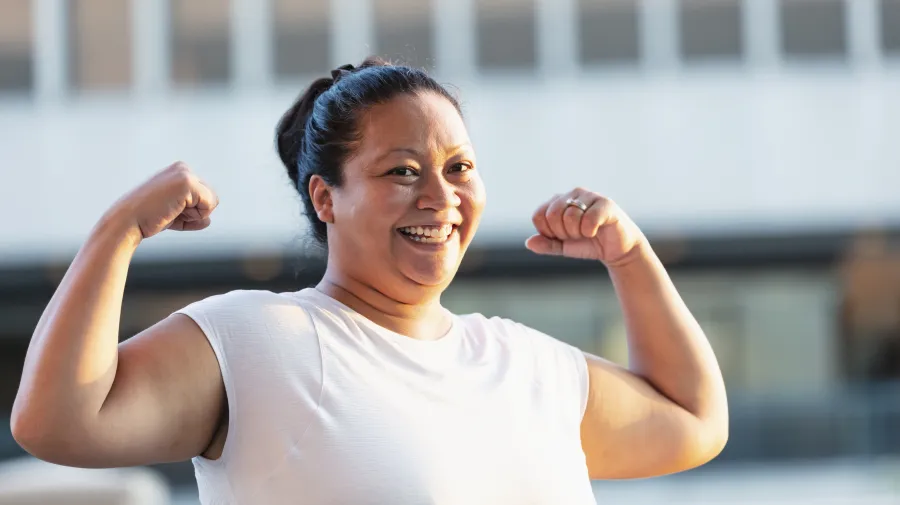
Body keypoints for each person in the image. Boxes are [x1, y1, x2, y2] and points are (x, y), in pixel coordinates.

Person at [11, 57, 728, 504]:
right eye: (402, 171)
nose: (441, 198)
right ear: (327, 198)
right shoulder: (260, 339)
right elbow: (57, 421)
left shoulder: (526, 363)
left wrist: (630, 258)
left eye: (459, 168)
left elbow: (695, 421)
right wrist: (117, 232)